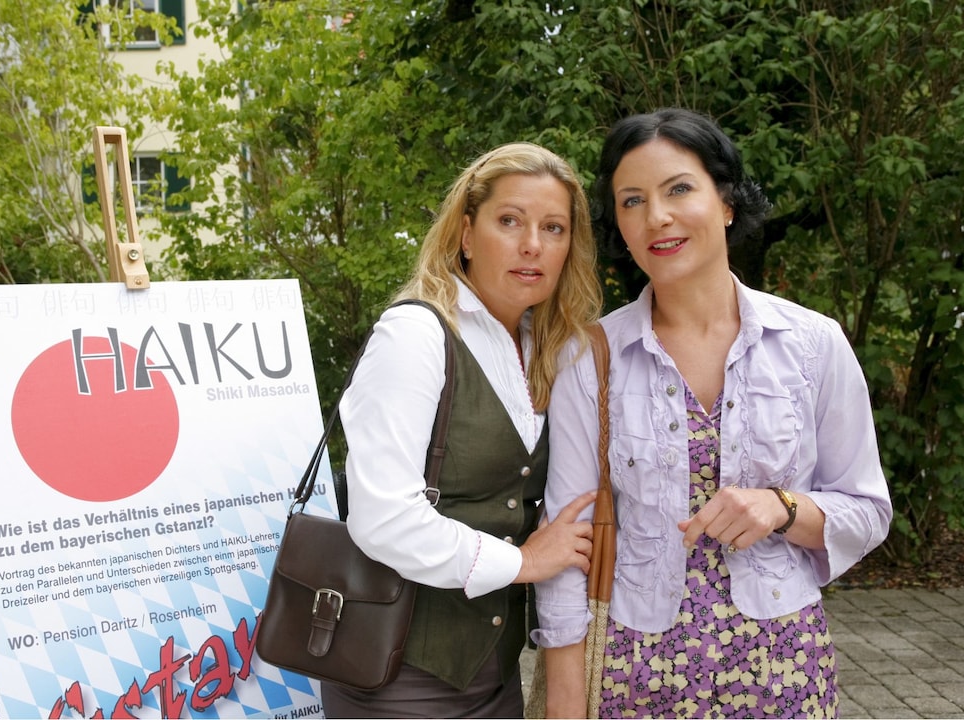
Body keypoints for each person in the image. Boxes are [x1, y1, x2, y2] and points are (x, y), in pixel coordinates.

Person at [535, 108, 893, 718]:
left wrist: (782, 508)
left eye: (678, 189)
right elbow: (567, 550)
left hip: (782, 669)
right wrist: (567, 704)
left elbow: (867, 511)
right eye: (632, 201)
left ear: (726, 202)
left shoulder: (813, 344)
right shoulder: (590, 357)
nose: (657, 217)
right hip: (633, 673)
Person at [321, 142, 605, 718]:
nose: (532, 244)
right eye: (510, 221)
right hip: (396, 675)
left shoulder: (545, 348)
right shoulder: (416, 334)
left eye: (553, 228)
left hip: (493, 675)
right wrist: (523, 563)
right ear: (467, 234)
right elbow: (383, 518)